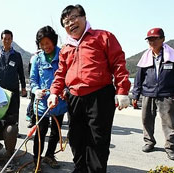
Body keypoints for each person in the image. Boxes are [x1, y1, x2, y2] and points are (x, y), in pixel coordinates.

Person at [47, 5, 131, 173]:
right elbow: (60, 73)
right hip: (74, 97)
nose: (70, 24)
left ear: (84, 17)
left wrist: (122, 90)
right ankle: (80, 169)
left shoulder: (103, 37)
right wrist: (54, 92)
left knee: (97, 139)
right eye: (66, 22)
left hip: (100, 95)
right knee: (76, 138)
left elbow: (118, 64)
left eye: (73, 18)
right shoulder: (66, 48)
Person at [132, 28, 174, 160]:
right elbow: (138, 78)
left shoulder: (171, 56)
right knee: (146, 119)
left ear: (162, 39)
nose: (152, 42)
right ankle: (149, 142)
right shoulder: (145, 57)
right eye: (150, 39)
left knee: (169, 122)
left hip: (166, 94)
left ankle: (170, 147)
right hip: (148, 93)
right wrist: (135, 95)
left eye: (155, 38)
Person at [30, 26, 68, 172]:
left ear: (54, 41)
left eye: (48, 43)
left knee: (55, 132)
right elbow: (33, 80)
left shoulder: (64, 55)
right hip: (42, 103)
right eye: (42, 44)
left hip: (59, 102)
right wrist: (36, 90)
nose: (45, 46)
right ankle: (36, 159)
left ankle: (50, 155)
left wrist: (66, 90)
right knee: (40, 132)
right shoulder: (37, 58)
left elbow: (69, 77)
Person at [0, 29, 27, 117]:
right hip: (0, 88)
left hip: (13, 87)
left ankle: (13, 129)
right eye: (4, 39)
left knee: (13, 110)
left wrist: (23, 87)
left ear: (12, 40)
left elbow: (21, 72)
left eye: (9, 39)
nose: (7, 41)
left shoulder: (17, 55)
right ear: (1, 40)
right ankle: (0, 129)